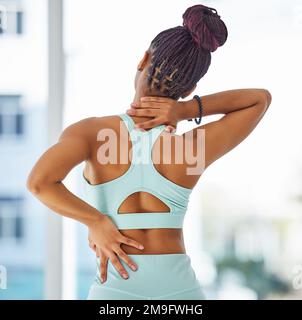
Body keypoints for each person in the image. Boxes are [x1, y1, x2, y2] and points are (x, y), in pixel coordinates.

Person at [26, 4, 272, 300]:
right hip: (181, 293)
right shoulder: (189, 148)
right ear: (188, 88)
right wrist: (187, 109)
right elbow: (259, 100)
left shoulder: (89, 133)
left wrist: (96, 221)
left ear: (143, 60)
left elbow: (39, 182)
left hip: (114, 292)